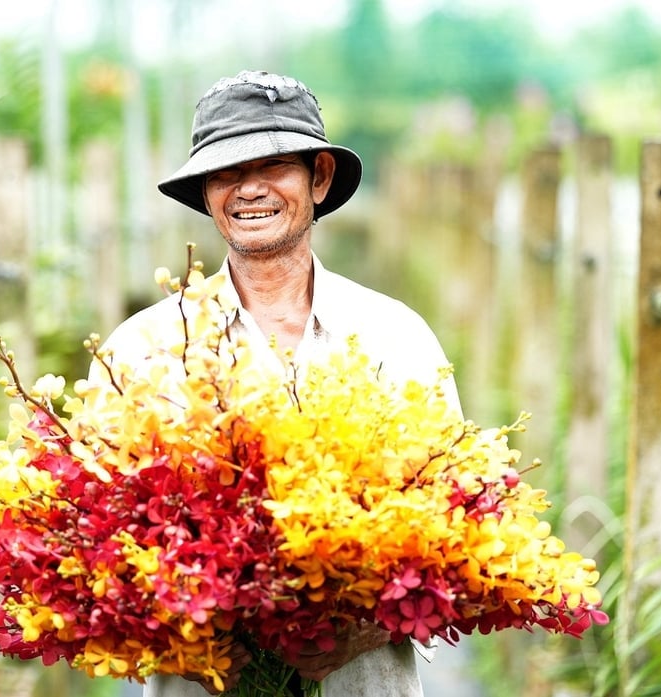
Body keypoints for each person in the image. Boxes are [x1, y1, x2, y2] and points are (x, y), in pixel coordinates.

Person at [92, 70, 463, 697]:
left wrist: (366, 626)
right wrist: (179, 633)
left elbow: (460, 521)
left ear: (318, 178)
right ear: (206, 193)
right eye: (227, 173)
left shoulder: (396, 335)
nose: (250, 189)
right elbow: (96, 539)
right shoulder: (143, 347)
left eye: (275, 166)